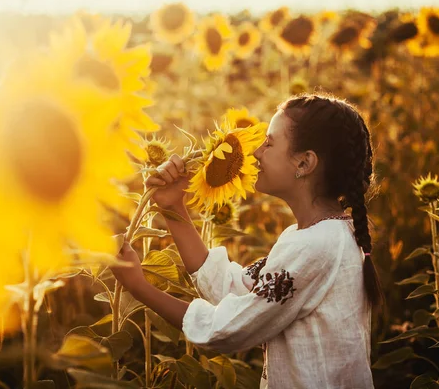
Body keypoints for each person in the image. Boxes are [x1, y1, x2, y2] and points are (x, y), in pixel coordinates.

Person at [110, 93, 384, 388]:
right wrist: (173, 207)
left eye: (269, 142)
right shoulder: (318, 236)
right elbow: (236, 293)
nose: (256, 153)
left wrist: (138, 286)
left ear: (304, 163)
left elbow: (228, 329)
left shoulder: (317, 246)